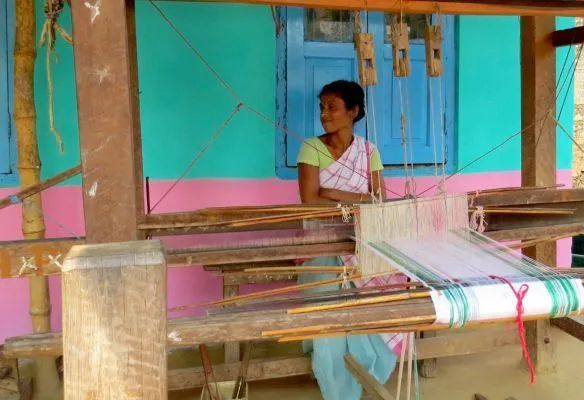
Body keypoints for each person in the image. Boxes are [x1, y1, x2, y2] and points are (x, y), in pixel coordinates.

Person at [296, 80, 397, 400]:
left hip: (360, 243)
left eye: (332, 107)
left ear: (353, 111)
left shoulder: (369, 152)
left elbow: (378, 200)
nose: (324, 114)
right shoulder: (311, 147)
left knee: (372, 305)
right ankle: (332, 376)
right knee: (328, 311)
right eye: (322, 107)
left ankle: (366, 367)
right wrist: (358, 201)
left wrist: (336, 194)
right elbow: (310, 202)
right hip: (322, 241)